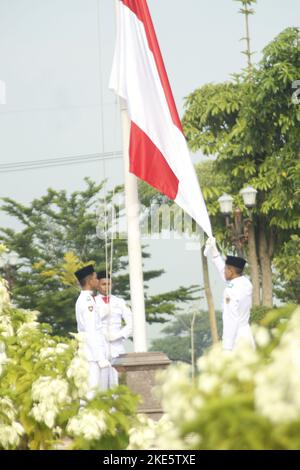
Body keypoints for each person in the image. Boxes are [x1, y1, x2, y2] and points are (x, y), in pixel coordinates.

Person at [204, 237, 255, 351]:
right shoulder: (245, 284)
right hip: (246, 335)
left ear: (231, 271)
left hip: (236, 341)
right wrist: (214, 251)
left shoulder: (231, 291)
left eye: (226, 269)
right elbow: (226, 275)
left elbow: (231, 319)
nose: (224, 271)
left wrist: (227, 347)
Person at [74, 265, 111, 398]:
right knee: (92, 393)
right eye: (96, 278)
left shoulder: (88, 299)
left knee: (98, 394)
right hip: (92, 356)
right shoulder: (87, 301)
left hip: (94, 354)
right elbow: (90, 331)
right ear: (90, 281)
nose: (98, 281)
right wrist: (100, 357)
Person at [95, 270, 133, 386]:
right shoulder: (92, 302)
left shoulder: (119, 302)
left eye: (109, 284)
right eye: (103, 284)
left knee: (117, 380)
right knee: (100, 380)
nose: (106, 287)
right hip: (100, 344)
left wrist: (119, 335)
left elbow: (131, 324)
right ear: (97, 284)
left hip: (117, 345)